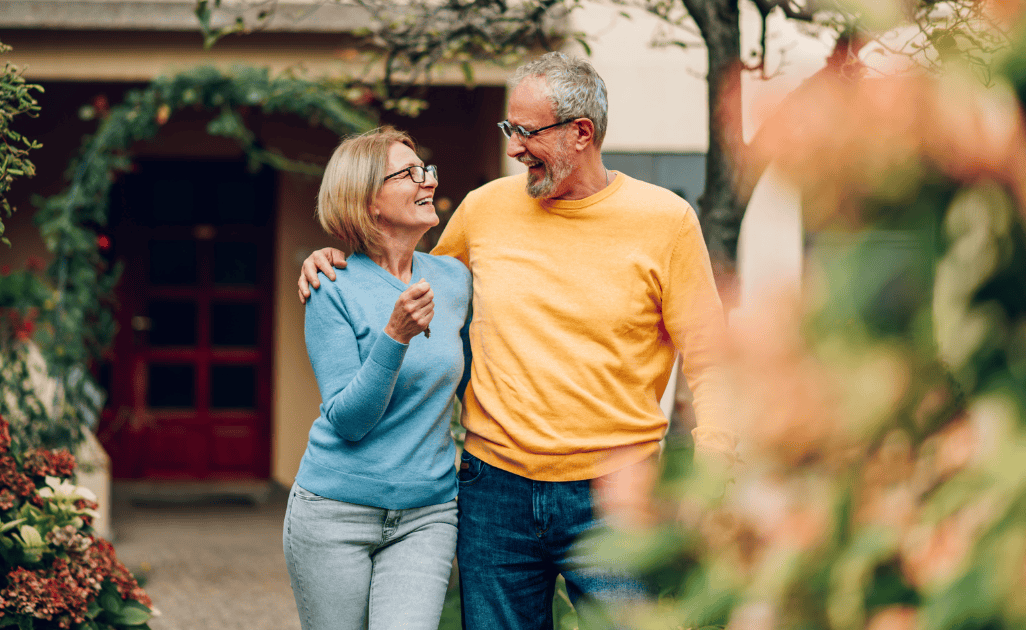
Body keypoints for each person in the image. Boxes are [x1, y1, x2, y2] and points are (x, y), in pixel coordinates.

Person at [297, 53, 736, 629]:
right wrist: (335, 259)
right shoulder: (485, 209)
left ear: (581, 133)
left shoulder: (666, 221)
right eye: (510, 130)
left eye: (527, 133)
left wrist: (713, 478)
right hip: (493, 492)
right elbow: (400, 272)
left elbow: (713, 362)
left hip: (616, 496)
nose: (513, 148)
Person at [283, 126, 472, 630]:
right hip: (334, 512)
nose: (427, 182)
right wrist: (395, 335)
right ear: (368, 202)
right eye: (410, 174)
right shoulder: (331, 287)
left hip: (427, 513)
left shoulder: (454, 279)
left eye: (426, 170)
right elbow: (348, 421)